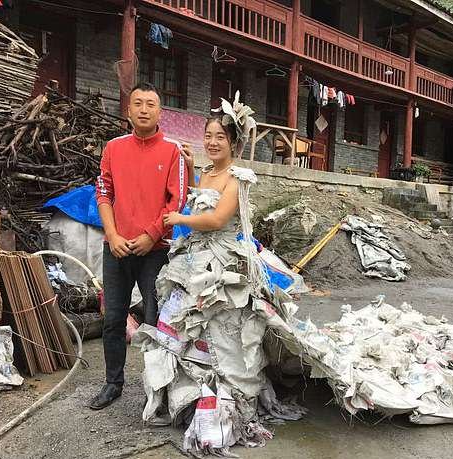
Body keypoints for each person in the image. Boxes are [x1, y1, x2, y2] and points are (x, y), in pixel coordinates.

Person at [132, 92, 304, 455]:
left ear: (234, 142)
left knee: (223, 334)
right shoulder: (208, 173)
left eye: (220, 137)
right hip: (192, 259)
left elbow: (216, 219)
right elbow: (198, 198)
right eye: (208, 135)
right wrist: (189, 165)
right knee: (182, 326)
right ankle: (189, 398)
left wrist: (179, 219)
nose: (212, 142)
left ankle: (223, 406)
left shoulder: (238, 177)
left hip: (222, 261)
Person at [90, 82, 194, 410]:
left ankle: (157, 387)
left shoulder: (173, 151)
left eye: (151, 103)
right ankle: (113, 382)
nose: (144, 109)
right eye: (138, 103)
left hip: (156, 250)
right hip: (117, 248)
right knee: (113, 319)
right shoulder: (114, 148)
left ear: (160, 112)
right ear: (129, 110)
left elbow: (178, 199)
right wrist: (113, 234)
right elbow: (103, 192)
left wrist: (151, 234)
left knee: (155, 320)